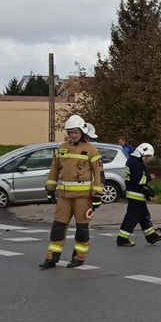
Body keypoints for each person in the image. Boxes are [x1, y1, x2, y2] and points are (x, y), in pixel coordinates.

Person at [39, 114, 105, 269]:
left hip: (84, 198)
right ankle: (51, 258)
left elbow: (99, 173)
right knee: (57, 228)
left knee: (82, 229)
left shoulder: (91, 150)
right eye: (70, 132)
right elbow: (54, 170)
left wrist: (97, 196)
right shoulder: (62, 148)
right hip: (64, 197)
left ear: (82, 131)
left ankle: (79, 258)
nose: (72, 135)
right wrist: (50, 189)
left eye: (75, 132)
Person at [116, 143, 161, 247]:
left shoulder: (134, 161)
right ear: (144, 154)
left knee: (143, 216)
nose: (148, 160)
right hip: (136, 194)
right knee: (132, 217)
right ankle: (122, 239)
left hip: (136, 193)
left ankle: (152, 236)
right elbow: (140, 180)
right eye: (148, 157)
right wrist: (150, 177)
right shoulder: (135, 163)